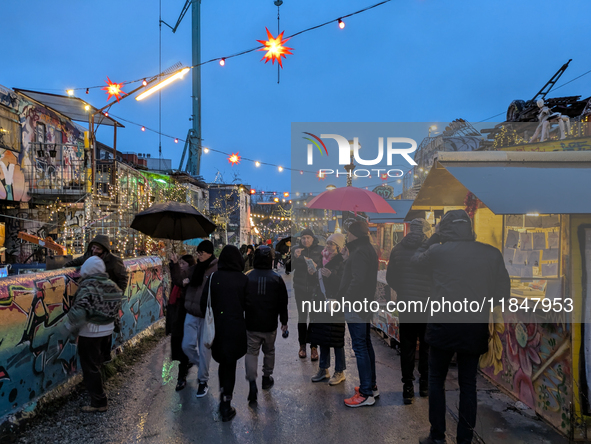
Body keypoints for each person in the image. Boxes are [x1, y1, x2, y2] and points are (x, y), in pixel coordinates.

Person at [411, 210, 510, 444]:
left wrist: (434, 238)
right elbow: (501, 295)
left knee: (436, 380)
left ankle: (437, 437)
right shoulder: (491, 253)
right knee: (468, 385)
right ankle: (464, 439)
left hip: (442, 326)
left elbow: (415, 261)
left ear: (444, 229)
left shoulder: (437, 252)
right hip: (473, 327)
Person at [60, 256, 123, 413]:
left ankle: (99, 402)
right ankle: (100, 390)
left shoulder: (87, 286)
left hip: (91, 333)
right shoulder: (113, 285)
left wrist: (67, 327)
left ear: (86, 270)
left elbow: (80, 310)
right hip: (107, 331)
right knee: (98, 364)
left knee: (90, 368)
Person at [386, 218, 433, 405]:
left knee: (407, 346)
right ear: (426, 231)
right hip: (428, 305)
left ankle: (407, 388)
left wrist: (403, 290)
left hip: (406, 304)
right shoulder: (432, 250)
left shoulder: (397, 249)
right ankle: (424, 385)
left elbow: (390, 278)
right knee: (426, 346)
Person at [200, 245, 248, 422]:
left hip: (218, 329)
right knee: (231, 364)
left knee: (223, 363)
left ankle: (223, 396)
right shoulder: (243, 279)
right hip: (236, 328)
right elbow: (248, 305)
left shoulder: (214, 277)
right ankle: (226, 402)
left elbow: (204, 303)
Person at [339, 221, 379, 408]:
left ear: (355, 234)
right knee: (365, 344)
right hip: (363, 304)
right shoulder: (364, 249)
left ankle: (365, 394)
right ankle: (370, 386)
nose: (347, 235)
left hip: (357, 305)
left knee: (360, 347)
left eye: (348, 233)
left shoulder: (361, 251)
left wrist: (345, 299)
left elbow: (358, 279)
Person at [244, 246, 288, 402]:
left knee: (251, 353)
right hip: (270, 325)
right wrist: (284, 321)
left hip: (251, 324)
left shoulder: (248, 276)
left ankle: (252, 382)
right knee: (269, 351)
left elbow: (241, 301)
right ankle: (266, 377)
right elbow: (283, 302)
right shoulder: (276, 278)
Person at [309, 233, 347, 385]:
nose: (328, 246)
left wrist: (332, 276)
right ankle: (323, 368)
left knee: (337, 339)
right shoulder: (322, 259)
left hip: (335, 304)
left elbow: (344, 284)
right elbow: (318, 282)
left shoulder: (342, 262)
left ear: (339, 247)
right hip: (321, 304)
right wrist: (313, 274)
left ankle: (340, 371)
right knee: (322, 337)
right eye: (328, 243)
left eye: (332, 244)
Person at [182, 240, 218, 398]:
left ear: (209, 253)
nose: (199, 255)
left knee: (205, 349)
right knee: (187, 345)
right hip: (191, 311)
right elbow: (180, 279)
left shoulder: (217, 270)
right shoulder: (194, 269)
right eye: (198, 252)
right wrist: (175, 265)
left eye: (201, 252)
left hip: (207, 315)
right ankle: (200, 364)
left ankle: (203, 380)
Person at [291, 229, 323, 360]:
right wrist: (295, 257)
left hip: (315, 289)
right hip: (300, 289)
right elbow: (289, 268)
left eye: (308, 238)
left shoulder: (320, 250)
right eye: (303, 238)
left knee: (314, 318)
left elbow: (324, 266)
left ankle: (314, 347)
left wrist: (316, 269)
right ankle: (302, 345)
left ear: (312, 238)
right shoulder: (296, 249)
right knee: (302, 318)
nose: (306, 240)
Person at [168, 253, 196, 391]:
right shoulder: (179, 281)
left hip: (185, 318)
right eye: (180, 263)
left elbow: (179, 280)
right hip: (176, 319)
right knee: (178, 348)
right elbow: (176, 280)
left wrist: (173, 265)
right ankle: (185, 366)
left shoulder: (189, 279)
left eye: (183, 264)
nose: (181, 266)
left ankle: (181, 377)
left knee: (183, 348)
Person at [64, 234, 128, 293]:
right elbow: (71, 263)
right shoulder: (88, 256)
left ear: (104, 250)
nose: (94, 251)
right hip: (91, 292)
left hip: (107, 294)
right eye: (93, 247)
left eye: (98, 249)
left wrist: (118, 295)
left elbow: (123, 279)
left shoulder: (114, 260)